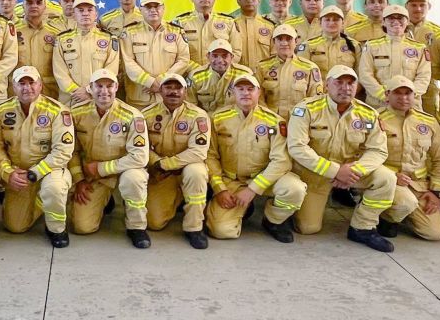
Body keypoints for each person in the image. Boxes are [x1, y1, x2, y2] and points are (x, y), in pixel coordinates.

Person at [287, 66, 397, 252]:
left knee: (386, 178)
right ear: (326, 85)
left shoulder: (368, 114)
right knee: (308, 228)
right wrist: (336, 171)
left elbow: (378, 150)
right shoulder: (306, 109)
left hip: (351, 173)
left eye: (351, 83)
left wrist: (354, 171)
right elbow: (297, 148)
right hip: (316, 175)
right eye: (339, 82)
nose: (345, 88)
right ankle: (296, 210)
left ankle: (362, 227)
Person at [204, 74, 305, 242]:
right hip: (231, 181)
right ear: (233, 93)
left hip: (264, 179)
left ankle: (273, 220)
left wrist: (253, 189)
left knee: (294, 189)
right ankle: (243, 209)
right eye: (241, 89)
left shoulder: (274, 122)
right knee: (221, 231)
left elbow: (281, 161)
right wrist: (219, 189)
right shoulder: (217, 119)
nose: (246, 93)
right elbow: (210, 156)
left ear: (259, 92)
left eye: (250, 89)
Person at [68, 69, 151, 248]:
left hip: (122, 172)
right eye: (99, 86)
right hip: (93, 177)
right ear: (90, 88)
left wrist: (102, 168)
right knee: (82, 227)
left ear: (117, 87)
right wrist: (79, 180)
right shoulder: (76, 113)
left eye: (109, 86)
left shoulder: (132, 116)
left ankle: (137, 227)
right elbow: (71, 151)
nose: (104, 91)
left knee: (134, 178)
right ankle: (106, 201)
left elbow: (140, 157)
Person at [0, 66, 74, 247]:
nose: (27, 88)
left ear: (40, 85)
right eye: (21, 83)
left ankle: (56, 230)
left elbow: (62, 152)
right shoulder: (1, 111)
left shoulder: (58, 111)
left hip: (49, 171)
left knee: (53, 189)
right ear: (13, 87)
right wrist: (8, 173)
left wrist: (34, 174)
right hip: (19, 174)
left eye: (31, 82)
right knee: (15, 226)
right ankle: (43, 201)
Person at [141, 73, 211, 249]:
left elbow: (198, 151)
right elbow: (141, 146)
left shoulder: (199, 116)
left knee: (197, 172)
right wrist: (155, 162)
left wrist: (164, 164)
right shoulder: (146, 115)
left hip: (185, 169)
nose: (173, 92)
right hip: (161, 174)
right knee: (154, 223)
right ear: (160, 91)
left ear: (185, 92)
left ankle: (194, 228)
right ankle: (177, 198)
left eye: (178, 88)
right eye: (168, 87)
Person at [375, 76, 440, 241]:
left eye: (408, 93)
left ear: (415, 96)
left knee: (434, 233)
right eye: (397, 93)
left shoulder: (428, 122)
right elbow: (362, 155)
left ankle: (404, 214)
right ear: (387, 95)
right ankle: (386, 217)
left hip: (419, 185)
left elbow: (439, 160)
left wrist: (436, 192)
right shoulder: (375, 118)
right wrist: (392, 176)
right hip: (387, 181)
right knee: (405, 203)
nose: (403, 98)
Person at [118, 0, 191, 109]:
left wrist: (162, 81)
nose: (153, 10)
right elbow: (127, 62)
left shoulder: (176, 31)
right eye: (148, 7)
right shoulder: (129, 32)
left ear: (163, 8)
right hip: (139, 98)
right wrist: (149, 82)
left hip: (168, 96)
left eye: (156, 6)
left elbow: (183, 60)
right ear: (140, 10)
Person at [357, 5, 432, 109]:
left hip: (409, 106)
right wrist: (384, 96)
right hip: (378, 104)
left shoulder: (419, 48)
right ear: (383, 22)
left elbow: (424, 77)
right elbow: (365, 75)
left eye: (400, 18)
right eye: (391, 18)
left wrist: (407, 97)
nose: (396, 21)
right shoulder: (371, 46)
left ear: (407, 21)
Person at [52, 0, 120, 106]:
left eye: (89, 10)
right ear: (74, 15)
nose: (85, 14)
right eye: (80, 10)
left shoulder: (109, 39)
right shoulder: (62, 40)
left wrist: (89, 90)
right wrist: (76, 91)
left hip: (98, 99)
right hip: (71, 100)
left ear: (96, 14)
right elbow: (59, 71)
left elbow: (111, 70)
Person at [253, 24, 322, 118]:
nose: (284, 43)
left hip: (299, 121)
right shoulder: (262, 67)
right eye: (280, 39)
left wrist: (302, 121)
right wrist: (268, 119)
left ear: (296, 41)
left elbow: (315, 101)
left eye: (288, 39)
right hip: (269, 120)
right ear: (273, 42)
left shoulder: (309, 68)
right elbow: (258, 98)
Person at [171, 0, 241, 68]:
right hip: (189, 74)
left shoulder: (228, 22)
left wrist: (218, 69)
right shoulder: (180, 23)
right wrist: (198, 71)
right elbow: (176, 53)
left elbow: (236, 52)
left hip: (220, 73)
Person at [13, 0, 60, 100]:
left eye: (38, 3)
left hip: (49, 92)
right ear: (23, 6)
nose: (34, 5)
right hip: (19, 92)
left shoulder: (55, 33)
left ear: (45, 7)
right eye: (29, 3)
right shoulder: (12, 31)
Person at [185, 39, 253, 114]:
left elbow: (252, 105)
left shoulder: (244, 74)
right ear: (208, 56)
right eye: (215, 56)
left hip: (234, 118)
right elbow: (190, 106)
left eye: (224, 56)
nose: (220, 60)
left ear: (232, 57)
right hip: (206, 118)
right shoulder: (195, 76)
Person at [403, 0, 440, 115]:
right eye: (413, 5)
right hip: (403, 84)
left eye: (422, 5)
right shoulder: (396, 28)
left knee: (429, 119)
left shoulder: (439, 32)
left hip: (429, 86)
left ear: (429, 6)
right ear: (406, 6)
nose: (418, 9)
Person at [297, 5, 359, 79]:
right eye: (327, 20)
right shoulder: (308, 45)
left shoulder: (354, 45)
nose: (331, 23)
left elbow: (360, 75)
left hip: (345, 86)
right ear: (320, 23)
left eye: (336, 20)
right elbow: (301, 74)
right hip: (318, 86)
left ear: (343, 23)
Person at [232, 0, 278, 69]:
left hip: (264, 74)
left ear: (259, 0)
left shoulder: (270, 26)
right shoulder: (231, 24)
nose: (249, 1)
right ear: (238, 1)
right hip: (239, 74)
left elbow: (275, 56)